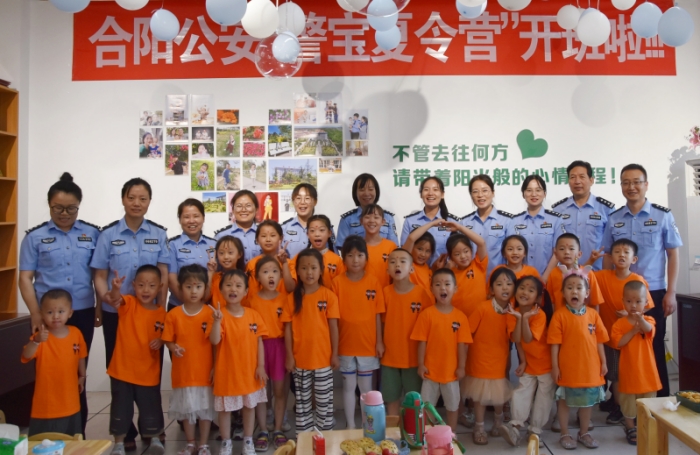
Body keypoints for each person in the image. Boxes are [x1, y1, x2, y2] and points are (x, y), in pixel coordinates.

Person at [91, 178, 169, 451]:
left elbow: (163, 275)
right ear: (123, 199)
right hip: (117, 314)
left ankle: (152, 429)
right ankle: (125, 432)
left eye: (143, 198)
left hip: (150, 316)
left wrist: (161, 311)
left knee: (150, 372)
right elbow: (99, 275)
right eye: (132, 197)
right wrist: (106, 299)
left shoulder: (158, 233)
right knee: (120, 374)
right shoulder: (108, 235)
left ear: (149, 202)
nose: (137, 203)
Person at [19, 172, 99, 433]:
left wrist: (99, 306)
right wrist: (35, 313)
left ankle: (78, 433)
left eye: (71, 208)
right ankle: (47, 430)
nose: (64, 213)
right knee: (49, 372)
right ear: (49, 205)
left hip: (82, 312)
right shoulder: (34, 237)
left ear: (79, 206)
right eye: (58, 208)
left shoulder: (92, 234)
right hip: (47, 316)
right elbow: (25, 278)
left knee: (77, 372)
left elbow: (99, 274)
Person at [602, 163, 682, 397]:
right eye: (626, 182)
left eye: (636, 182)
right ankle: (622, 403)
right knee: (621, 347)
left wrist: (671, 292)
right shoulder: (614, 218)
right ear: (621, 186)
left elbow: (673, 254)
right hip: (622, 294)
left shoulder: (662, 215)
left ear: (646, 184)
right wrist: (606, 290)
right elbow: (607, 256)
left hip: (652, 293)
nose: (631, 187)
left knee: (653, 346)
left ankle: (659, 400)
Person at [589, 238, 654, 425]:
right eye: (617, 252)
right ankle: (619, 407)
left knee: (629, 375)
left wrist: (630, 313)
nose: (621, 255)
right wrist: (591, 261)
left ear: (634, 259)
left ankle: (630, 410)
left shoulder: (638, 280)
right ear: (610, 257)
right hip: (610, 337)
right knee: (615, 376)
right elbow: (581, 274)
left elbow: (647, 305)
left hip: (632, 340)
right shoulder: (602, 276)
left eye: (626, 252)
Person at [104, 265, 167, 455]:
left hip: (148, 371)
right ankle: (119, 443)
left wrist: (161, 340)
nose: (146, 290)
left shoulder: (162, 313)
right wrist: (115, 288)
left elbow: (167, 336)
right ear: (133, 285)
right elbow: (115, 298)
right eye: (141, 285)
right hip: (122, 370)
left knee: (151, 407)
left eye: (151, 286)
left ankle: (154, 438)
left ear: (160, 287)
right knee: (120, 408)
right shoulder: (129, 303)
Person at [547, 268, 609, 450]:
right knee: (564, 401)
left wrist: (603, 362)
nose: (574, 291)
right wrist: (555, 366)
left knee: (587, 402)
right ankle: (564, 433)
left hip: (590, 368)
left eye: (579, 287)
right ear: (563, 292)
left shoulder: (593, 315)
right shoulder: (559, 315)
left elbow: (599, 341)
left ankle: (584, 432)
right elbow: (554, 344)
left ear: (587, 293)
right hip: (568, 368)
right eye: (569, 287)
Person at [209, 269, 269, 455]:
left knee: (249, 406)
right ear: (221, 290)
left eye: (238, 285)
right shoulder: (219, 315)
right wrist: (216, 322)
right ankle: (226, 442)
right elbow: (214, 340)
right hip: (227, 372)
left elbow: (259, 342)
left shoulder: (253, 315)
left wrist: (261, 366)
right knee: (225, 410)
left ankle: (248, 440)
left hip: (249, 372)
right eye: (228, 285)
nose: (233, 289)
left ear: (246, 292)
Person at [282, 249, 340, 434]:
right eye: (304, 268)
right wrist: (289, 356)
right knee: (302, 404)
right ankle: (305, 438)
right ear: (297, 271)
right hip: (300, 360)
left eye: (313, 268)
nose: (309, 272)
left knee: (324, 402)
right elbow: (288, 330)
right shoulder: (291, 299)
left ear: (321, 270)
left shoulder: (329, 296)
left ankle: (325, 436)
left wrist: (335, 354)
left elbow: (333, 328)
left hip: (323, 359)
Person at [330, 236, 386, 429]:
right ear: (343, 258)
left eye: (360, 255)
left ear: (366, 258)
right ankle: (351, 425)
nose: (355, 260)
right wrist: (334, 348)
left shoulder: (374, 282)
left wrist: (379, 342)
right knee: (348, 387)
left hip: (368, 345)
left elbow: (378, 315)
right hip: (345, 345)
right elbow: (333, 319)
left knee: (366, 389)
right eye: (350, 255)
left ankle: (367, 426)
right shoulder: (337, 283)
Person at [463, 268, 520, 445]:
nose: (505, 287)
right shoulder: (482, 307)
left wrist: (519, 318)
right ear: (491, 289)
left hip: (498, 359)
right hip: (479, 358)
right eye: (499, 284)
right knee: (479, 395)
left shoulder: (512, 312)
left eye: (509, 284)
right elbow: (467, 333)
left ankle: (498, 421)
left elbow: (515, 337)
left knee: (498, 393)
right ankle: (479, 427)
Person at [162, 265, 215, 455]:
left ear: (205, 288)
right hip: (183, 372)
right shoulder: (174, 314)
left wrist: (215, 367)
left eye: (198, 287)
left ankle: (204, 444)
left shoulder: (210, 313)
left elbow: (216, 343)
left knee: (205, 410)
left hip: (204, 372)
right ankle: (191, 443)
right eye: (189, 287)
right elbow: (168, 339)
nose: (194, 291)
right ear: (180, 288)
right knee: (187, 409)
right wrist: (173, 348)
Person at [410, 268, 471, 431]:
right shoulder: (426, 315)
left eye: (447, 284)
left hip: (451, 373)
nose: (443, 288)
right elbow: (421, 342)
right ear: (431, 289)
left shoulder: (460, 317)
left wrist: (461, 367)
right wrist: (421, 364)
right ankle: (427, 433)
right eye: (438, 284)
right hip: (430, 372)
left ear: (455, 288)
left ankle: (451, 434)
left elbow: (462, 345)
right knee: (427, 406)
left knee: (452, 405)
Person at [21, 289, 87, 437]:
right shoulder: (40, 337)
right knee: (43, 442)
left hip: (71, 402)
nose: (56, 316)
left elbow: (81, 356)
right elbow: (26, 355)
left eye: (61, 311)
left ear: (70, 313)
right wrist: (36, 341)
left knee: (71, 441)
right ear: (42, 314)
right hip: (46, 406)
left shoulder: (76, 333)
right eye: (50, 312)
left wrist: (82, 376)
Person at [500, 276, 555, 447]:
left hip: (546, 365)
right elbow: (517, 340)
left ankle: (535, 431)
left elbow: (529, 338)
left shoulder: (539, 315)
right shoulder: (513, 313)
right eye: (522, 288)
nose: (525, 292)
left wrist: (523, 319)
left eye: (531, 290)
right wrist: (523, 362)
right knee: (521, 392)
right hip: (530, 364)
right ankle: (515, 426)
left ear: (538, 298)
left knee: (543, 398)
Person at [381, 248, 433, 416]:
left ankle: (412, 430)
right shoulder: (385, 293)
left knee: (414, 401)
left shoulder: (422, 294)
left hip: (414, 359)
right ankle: (393, 431)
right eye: (393, 261)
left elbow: (428, 327)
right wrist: (379, 343)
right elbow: (380, 323)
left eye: (402, 261)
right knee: (391, 399)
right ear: (387, 269)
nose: (397, 265)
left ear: (411, 269)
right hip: (390, 358)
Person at [245, 257, 290, 450]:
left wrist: (290, 354)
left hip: (279, 347)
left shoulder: (285, 299)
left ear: (280, 276)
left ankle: (278, 428)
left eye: (274, 271)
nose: (270, 275)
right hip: (258, 347)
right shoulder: (251, 300)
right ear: (257, 277)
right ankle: (263, 429)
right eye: (265, 272)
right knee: (262, 392)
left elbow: (289, 329)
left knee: (279, 391)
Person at [610, 281, 661, 446]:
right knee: (628, 403)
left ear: (646, 303)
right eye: (629, 301)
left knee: (648, 402)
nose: (633, 305)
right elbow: (619, 343)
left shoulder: (649, 320)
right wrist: (633, 330)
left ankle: (645, 425)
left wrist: (641, 320)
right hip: (629, 371)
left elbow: (648, 330)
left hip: (647, 372)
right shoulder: (619, 324)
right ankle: (630, 427)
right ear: (623, 302)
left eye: (638, 301)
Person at [551, 161, 616, 270]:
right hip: (567, 274)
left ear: (591, 180)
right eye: (573, 177)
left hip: (597, 273)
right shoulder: (558, 209)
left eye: (582, 177)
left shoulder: (606, 209)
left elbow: (611, 246)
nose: (577, 181)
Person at [460, 174, 515, 277]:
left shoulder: (507, 221)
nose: (480, 195)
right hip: (471, 280)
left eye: (485, 190)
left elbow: (514, 254)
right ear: (471, 195)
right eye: (475, 192)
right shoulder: (464, 223)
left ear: (493, 193)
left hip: (499, 280)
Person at [167, 199, 217, 311]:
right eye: (186, 217)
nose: (191, 221)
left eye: (196, 216)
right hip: (179, 307)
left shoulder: (214, 244)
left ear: (203, 218)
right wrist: (190, 303)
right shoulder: (172, 245)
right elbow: (171, 279)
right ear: (180, 220)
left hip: (208, 307)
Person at [512, 175, 565, 278]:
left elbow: (558, 252)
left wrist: (544, 278)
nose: (534, 194)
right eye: (529, 190)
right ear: (523, 194)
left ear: (544, 194)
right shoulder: (514, 221)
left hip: (548, 278)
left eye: (538, 190)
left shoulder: (556, 220)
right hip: (521, 280)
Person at [432, 223, 488, 318]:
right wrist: (446, 269)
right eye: (457, 254)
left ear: (471, 251)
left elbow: (481, 243)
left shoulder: (479, 265)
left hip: (480, 318)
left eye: (466, 251)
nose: (463, 256)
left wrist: (460, 228)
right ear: (451, 257)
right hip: (456, 320)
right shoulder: (450, 273)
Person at [400, 177, 460, 265]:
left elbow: (459, 252)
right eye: (426, 189)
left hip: (444, 272)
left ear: (442, 194)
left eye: (435, 189)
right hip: (416, 272)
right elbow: (403, 253)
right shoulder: (410, 221)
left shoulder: (452, 222)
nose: (430, 193)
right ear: (421, 194)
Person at [336, 174, 398, 251]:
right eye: (362, 190)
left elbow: (394, 248)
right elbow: (343, 249)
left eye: (370, 189)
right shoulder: (347, 219)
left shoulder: (388, 217)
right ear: (355, 192)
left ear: (376, 191)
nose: (366, 193)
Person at [545, 233, 604, 311]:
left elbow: (595, 301)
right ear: (556, 254)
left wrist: (594, 318)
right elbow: (551, 302)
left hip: (584, 318)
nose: (567, 252)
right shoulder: (553, 274)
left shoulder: (588, 273)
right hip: (560, 317)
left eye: (571, 249)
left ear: (579, 254)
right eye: (562, 249)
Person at [288, 215, 344, 288]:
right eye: (312, 231)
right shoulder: (299, 258)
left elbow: (341, 286)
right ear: (307, 234)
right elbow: (292, 285)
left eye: (322, 230)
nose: (317, 234)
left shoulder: (337, 260)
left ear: (329, 233)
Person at [244, 220, 294, 296]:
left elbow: (291, 288)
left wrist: (284, 263)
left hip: (284, 302)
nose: (268, 239)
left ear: (281, 238)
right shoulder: (252, 264)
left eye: (272, 235)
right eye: (263, 236)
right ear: (257, 240)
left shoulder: (289, 263)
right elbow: (251, 292)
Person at [215, 190, 262, 264]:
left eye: (248, 205)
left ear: (256, 209)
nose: (243, 210)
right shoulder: (221, 236)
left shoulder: (264, 235)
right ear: (233, 210)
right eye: (239, 206)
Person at [361, 204, 397, 289]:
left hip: (385, 293)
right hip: (362, 293)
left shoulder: (391, 246)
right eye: (367, 217)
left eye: (376, 217)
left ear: (383, 222)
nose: (371, 220)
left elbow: (396, 275)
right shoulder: (356, 246)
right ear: (361, 221)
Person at [281, 184, 320, 258]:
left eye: (307, 198)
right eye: (298, 198)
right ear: (293, 201)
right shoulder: (283, 228)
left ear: (315, 202)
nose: (302, 202)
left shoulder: (324, 228)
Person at [209, 236, 246, 310]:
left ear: (239, 254)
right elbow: (205, 297)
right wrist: (210, 272)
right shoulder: (214, 277)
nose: (226, 257)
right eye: (221, 253)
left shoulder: (246, 278)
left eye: (230, 253)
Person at [401, 227, 435, 293]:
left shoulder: (427, 268)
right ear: (412, 246)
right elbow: (411, 238)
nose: (423, 254)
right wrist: (433, 224)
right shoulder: (406, 265)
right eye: (420, 249)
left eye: (428, 251)